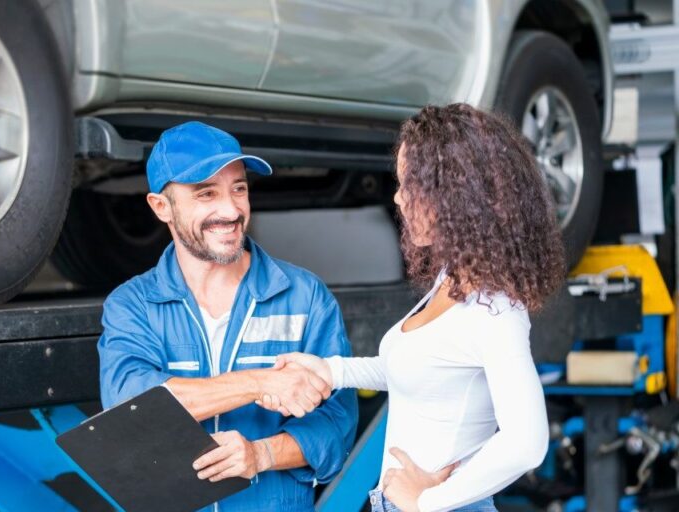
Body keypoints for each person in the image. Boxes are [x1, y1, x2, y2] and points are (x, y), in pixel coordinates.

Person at [261, 103, 560, 512]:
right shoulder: (453, 278)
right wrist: (331, 370)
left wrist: (430, 501)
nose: (398, 198)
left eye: (411, 185)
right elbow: (417, 370)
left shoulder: (495, 311)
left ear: (457, 195)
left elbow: (527, 443)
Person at [98, 121, 358, 511]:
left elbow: (337, 424)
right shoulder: (133, 305)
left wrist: (262, 454)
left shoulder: (303, 296)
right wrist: (258, 383)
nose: (231, 209)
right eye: (206, 193)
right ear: (161, 207)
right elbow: (130, 410)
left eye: (239, 188)